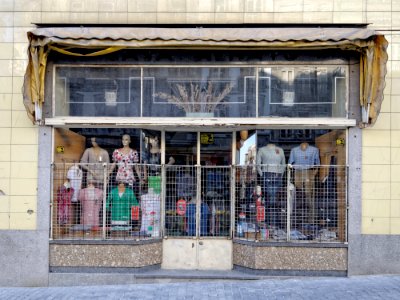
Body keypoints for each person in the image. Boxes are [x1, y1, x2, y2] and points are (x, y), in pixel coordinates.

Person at [288, 142, 320, 224]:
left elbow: (318, 164)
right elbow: (290, 164)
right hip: (297, 172)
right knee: (297, 196)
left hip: (309, 171)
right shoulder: (294, 150)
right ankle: (296, 220)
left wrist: (313, 174)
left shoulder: (314, 150)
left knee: (309, 196)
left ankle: (311, 220)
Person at [256, 143, 285, 227]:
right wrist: (263, 175)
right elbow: (258, 164)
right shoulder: (261, 150)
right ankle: (272, 222)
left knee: (276, 200)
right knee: (270, 199)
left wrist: (280, 174)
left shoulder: (280, 150)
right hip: (267, 175)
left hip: (277, 175)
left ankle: (273, 222)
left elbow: (283, 164)